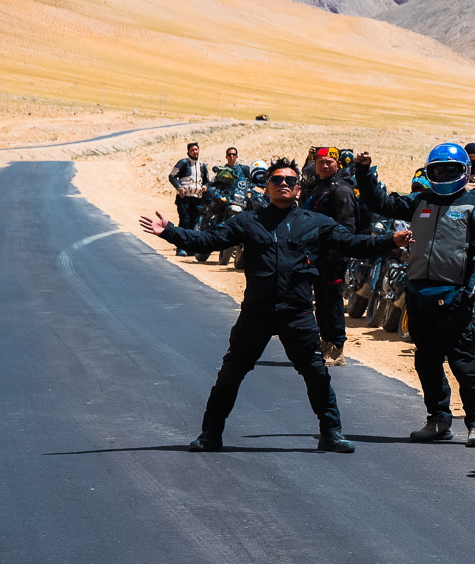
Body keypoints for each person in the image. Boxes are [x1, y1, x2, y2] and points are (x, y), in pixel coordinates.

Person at [141, 159, 408, 452]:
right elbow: (208, 240)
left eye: (290, 181)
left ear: (298, 189)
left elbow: (354, 243)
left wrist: (389, 241)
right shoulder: (248, 221)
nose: (284, 183)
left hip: (298, 314)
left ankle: (331, 433)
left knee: (316, 373)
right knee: (231, 373)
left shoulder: (314, 222)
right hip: (256, 313)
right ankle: (209, 434)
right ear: (267, 186)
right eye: (277, 179)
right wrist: (169, 231)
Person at [353, 143, 475, 447]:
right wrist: (364, 172)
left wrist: (469, 296)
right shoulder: (420, 200)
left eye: (451, 169)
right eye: (438, 170)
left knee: (463, 363)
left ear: (465, 172)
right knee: (426, 361)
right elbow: (381, 202)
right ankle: (438, 419)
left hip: (455, 297)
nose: (445, 174)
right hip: (419, 295)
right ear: (429, 171)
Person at [301, 147, 359, 366]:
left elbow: (347, 226)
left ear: (338, 164)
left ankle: (336, 350)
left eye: (329, 162)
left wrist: (337, 254)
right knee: (322, 301)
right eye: (320, 162)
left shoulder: (341, 190)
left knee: (332, 301)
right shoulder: (320, 187)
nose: (324, 166)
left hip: (333, 257)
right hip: (318, 256)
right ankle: (324, 345)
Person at [169, 142, 211, 237]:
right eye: (192, 150)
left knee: (195, 223)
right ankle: (181, 246)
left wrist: (205, 186)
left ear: (199, 150)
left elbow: (207, 181)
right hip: (184, 198)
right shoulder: (183, 163)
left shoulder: (202, 165)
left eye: (196, 149)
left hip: (197, 198)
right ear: (188, 152)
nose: (194, 152)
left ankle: (190, 247)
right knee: (185, 221)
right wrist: (179, 188)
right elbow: (172, 176)